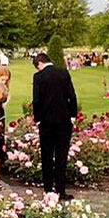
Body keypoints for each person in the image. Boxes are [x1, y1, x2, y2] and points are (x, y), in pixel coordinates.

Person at [31, 51, 79, 200]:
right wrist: (72, 115)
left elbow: (37, 100)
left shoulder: (38, 77)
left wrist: (37, 119)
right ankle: (61, 190)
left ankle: (48, 189)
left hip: (46, 122)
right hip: (63, 121)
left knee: (46, 155)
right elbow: (72, 96)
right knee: (61, 155)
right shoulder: (63, 73)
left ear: (39, 64)